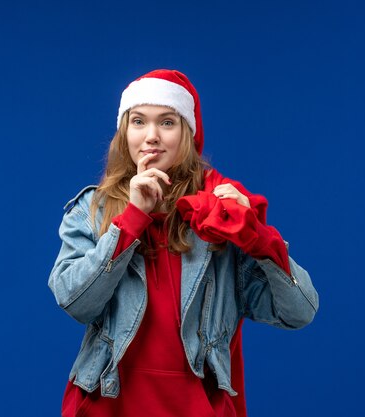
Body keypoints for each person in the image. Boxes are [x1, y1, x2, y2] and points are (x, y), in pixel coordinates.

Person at [48, 69, 319, 417]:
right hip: (109, 404)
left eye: (167, 122)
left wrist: (257, 238)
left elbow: (299, 312)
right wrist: (131, 220)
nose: (151, 137)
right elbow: (75, 301)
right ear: (123, 132)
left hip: (196, 406)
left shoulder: (218, 215)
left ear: (187, 133)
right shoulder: (91, 209)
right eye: (138, 122)